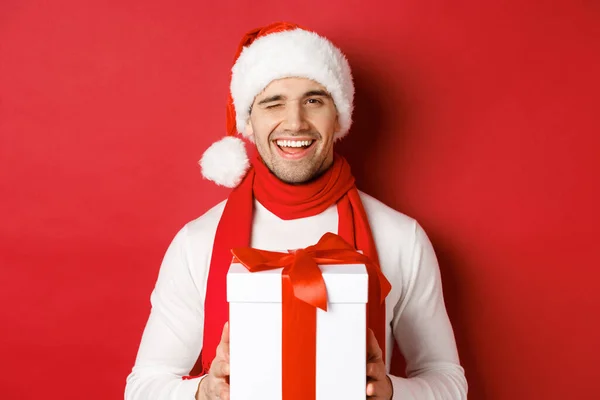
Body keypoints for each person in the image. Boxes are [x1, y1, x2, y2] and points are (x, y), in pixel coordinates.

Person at [125, 22, 467, 400]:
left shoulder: (400, 237)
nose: (294, 122)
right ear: (248, 122)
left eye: (314, 100)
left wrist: (389, 393)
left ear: (339, 116)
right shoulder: (197, 242)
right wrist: (205, 392)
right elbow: (142, 387)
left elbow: (448, 382)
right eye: (273, 103)